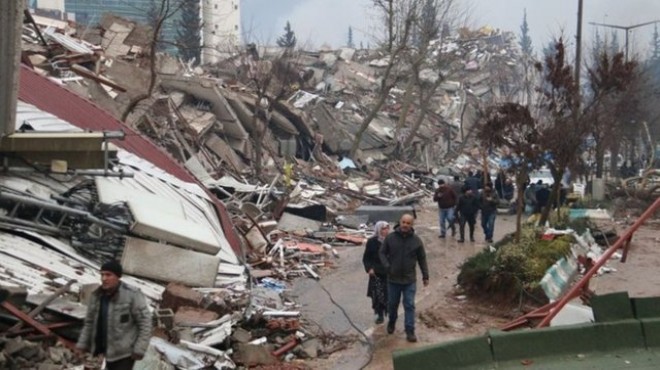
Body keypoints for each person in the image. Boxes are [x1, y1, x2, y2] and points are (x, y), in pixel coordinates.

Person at [77, 261, 152, 370]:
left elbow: (145, 322)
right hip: (100, 349)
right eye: (102, 275)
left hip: (123, 353)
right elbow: (89, 323)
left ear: (117, 277)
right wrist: (82, 344)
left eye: (108, 275)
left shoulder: (132, 295)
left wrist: (140, 349)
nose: (104, 278)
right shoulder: (97, 296)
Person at [379, 214, 429, 343]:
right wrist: (387, 266)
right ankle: (392, 322)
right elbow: (382, 253)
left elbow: (422, 259)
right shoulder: (390, 238)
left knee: (409, 305)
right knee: (392, 304)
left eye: (408, 223)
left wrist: (425, 275)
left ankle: (410, 330)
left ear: (412, 225)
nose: (405, 225)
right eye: (403, 222)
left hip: (409, 280)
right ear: (400, 222)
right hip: (393, 279)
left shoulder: (416, 241)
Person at [363, 221, 390, 324]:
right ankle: (380, 314)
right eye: (383, 229)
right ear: (379, 230)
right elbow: (366, 258)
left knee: (388, 294)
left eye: (387, 228)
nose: (386, 231)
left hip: (388, 272)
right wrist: (369, 268)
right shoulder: (372, 242)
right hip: (376, 273)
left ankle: (389, 312)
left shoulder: (391, 241)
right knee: (377, 295)